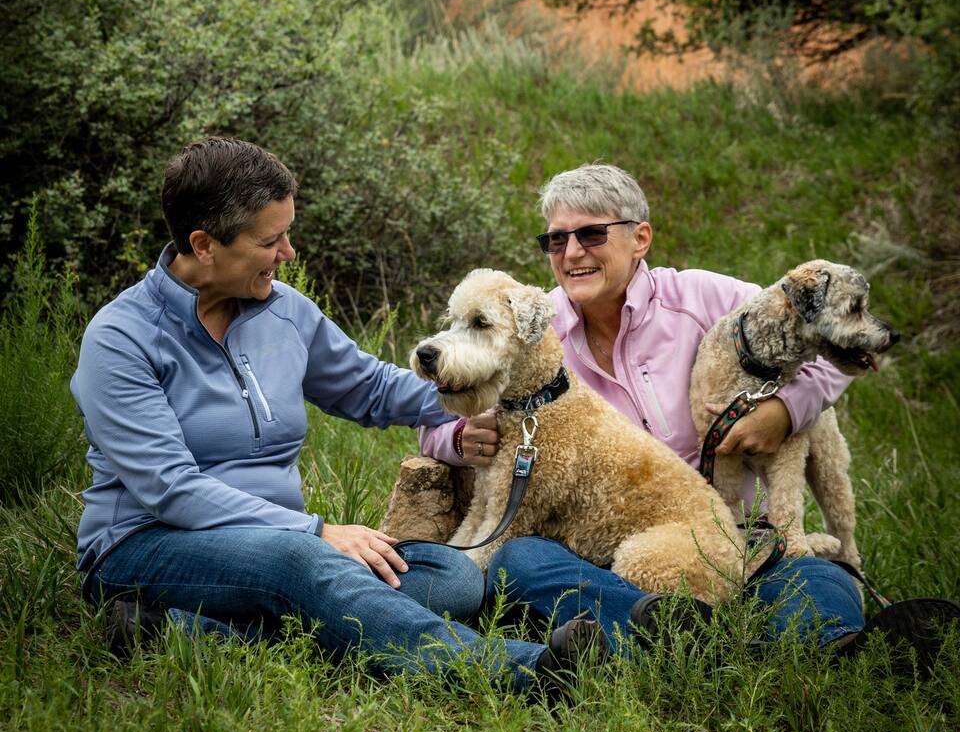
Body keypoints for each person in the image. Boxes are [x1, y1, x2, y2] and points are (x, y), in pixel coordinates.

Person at [71, 136, 601, 692]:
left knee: (452, 580)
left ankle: (185, 630)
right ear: (204, 244)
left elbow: (369, 388)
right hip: (145, 546)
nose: (289, 253)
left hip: (282, 546)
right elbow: (170, 489)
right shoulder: (122, 338)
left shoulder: (285, 312)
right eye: (271, 240)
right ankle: (519, 671)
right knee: (299, 564)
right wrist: (317, 532)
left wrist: (488, 389)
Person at [453, 163, 957, 672]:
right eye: (556, 240)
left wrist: (783, 411)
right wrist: (458, 436)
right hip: (604, 549)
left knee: (817, 577)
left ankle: (834, 651)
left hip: (752, 533)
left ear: (640, 238)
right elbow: (439, 387)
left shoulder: (706, 298)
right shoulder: (534, 322)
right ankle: (696, 637)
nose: (573, 253)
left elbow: (831, 348)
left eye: (591, 234)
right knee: (521, 560)